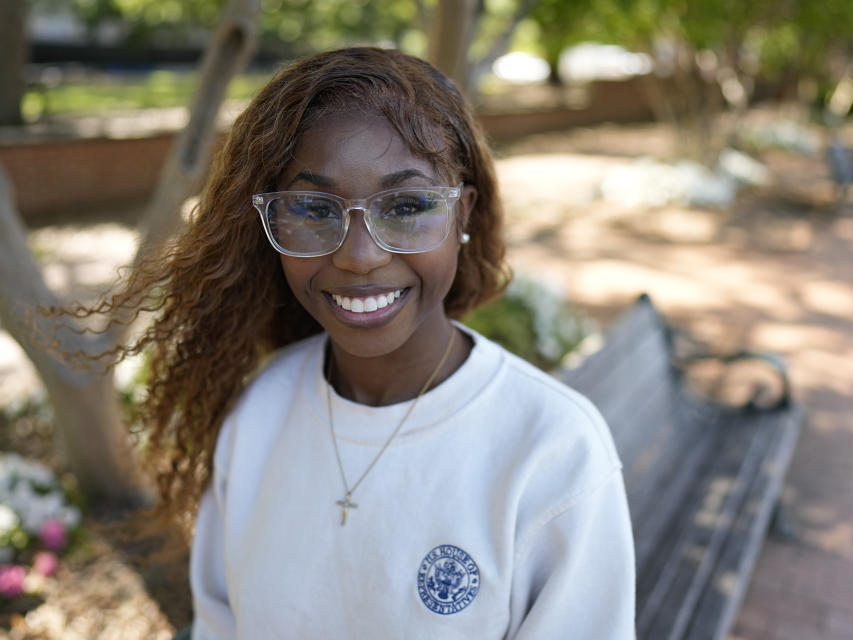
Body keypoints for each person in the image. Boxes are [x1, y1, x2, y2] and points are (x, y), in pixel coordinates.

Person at [112, 47, 635, 638]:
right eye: (313, 208)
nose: (359, 257)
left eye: (406, 206)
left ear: (461, 213)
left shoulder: (552, 450)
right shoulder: (257, 415)